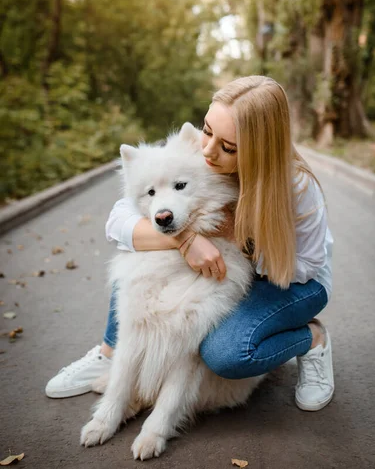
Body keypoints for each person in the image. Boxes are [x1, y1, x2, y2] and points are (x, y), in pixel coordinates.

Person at [45, 75, 334, 411]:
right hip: (241, 273)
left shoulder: (296, 187)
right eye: (208, 129)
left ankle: (312, 340)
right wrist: (185, 239)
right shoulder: (197, 150)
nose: (208, 149)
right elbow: (120, 220)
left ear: (259, 150)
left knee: (226, 354)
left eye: (228, 147)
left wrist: (240, 238)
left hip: (297, 283)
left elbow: (307, 266)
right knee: (141, 258)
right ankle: (110, 352)